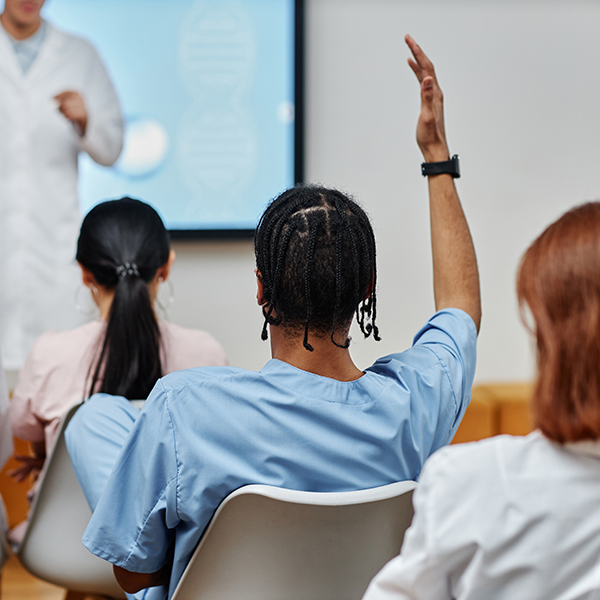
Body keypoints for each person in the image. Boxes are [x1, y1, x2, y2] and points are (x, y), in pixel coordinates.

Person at [65, 35, 480, 600]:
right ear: (367, 290)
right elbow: (460, 309)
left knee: (96, 419)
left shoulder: (184, 407)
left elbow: (134, 574)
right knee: (109, 420)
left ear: (261, 289)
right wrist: (436, 156)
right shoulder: (419, 399)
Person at [362, 202, 600, 600]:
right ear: (367, 288)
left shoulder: (470, 484)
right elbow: (460, 311)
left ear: (550, 341)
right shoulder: (424, 390)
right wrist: (438, 165)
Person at [10, 198, 227, 488]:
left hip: (62, 534)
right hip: (176, 533)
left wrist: (48, 458)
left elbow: (31, 438)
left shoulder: (47, 355)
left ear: (85, 273)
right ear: (166, 267)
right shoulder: (206, 354)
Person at [0, 0, 124, 370]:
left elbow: (112, 148)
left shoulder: (79, 54)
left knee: (55, 376)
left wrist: (87, 121)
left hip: (52, 246)